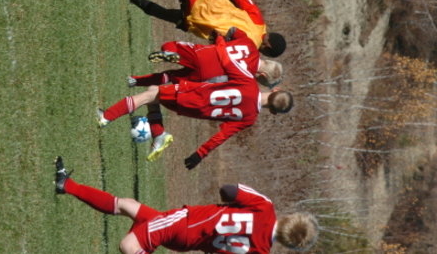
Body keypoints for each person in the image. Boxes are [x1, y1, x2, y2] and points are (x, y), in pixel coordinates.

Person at [98, 34, 294, 168]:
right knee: (153, 93)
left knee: (148, 96)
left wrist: (219, 39)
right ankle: (158, 135)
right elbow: (222, 136)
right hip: (194, 111)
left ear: (275, 90)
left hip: (192, 93)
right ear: (273, 111)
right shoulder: (250, 118)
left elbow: (226, 60)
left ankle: (105, 117)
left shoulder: (248, 81)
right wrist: (200, 154)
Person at [54, 156, 319, 253]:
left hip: (185, 222)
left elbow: (229, 190)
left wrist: (225, 206)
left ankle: (67, 185)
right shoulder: (260, 252)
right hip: (188, 242)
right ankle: (66, 185)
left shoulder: (265, 207)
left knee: (129, 245)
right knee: (127, 205)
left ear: (291, 217)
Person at [129, 0, 286, 58]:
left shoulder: (259, 21)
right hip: (201, 25)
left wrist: (232, 7)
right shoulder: (248, 50)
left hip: (212, 3)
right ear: (268, 47)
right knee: (167, 15)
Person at [128, 27, 283, 89]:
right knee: (171, 77)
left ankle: (169, 54)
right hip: (206, 75)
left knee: (170, 45)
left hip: (205, 54)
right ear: (262, 75)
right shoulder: (246, 79)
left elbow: (233, 30)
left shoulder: (250, 45)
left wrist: (222, 39)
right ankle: (135, 81)